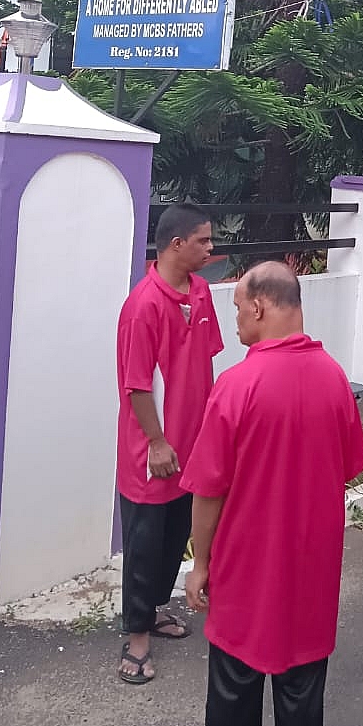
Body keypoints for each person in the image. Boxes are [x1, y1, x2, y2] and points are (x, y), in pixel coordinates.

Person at [182, 262, 363, 726]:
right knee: (302, 699)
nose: (236, 318)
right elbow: (347, 467)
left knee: (233, 697)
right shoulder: (334, 379)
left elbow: (208, 490)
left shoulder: (236, 386)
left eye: (238, 307)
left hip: (245, 573)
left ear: (259, 307)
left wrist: (201, 564)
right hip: (312, 574)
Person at [116, 202, 222, 686]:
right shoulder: (143, 306)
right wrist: (157, 443)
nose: (210, 248)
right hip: (153, 452)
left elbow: (206, 361)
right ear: (177, 245)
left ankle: (155, 609)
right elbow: (137, 385)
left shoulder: (200, 292)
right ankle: (137, 635)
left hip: (193, 443)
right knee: (144, 541)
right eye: (203, 240)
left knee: (175, 533)